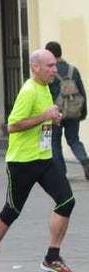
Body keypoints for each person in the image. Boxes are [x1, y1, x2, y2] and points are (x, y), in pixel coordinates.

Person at [0, 48, 77, 272]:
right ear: (36, 67)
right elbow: (13, 125)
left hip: (43, 158)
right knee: (12, 211)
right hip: (22, 162)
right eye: (50, 66)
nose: (55, 69)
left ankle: (52, 258)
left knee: (66, 201)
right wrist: (44, 117)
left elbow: (42, 118)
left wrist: (52, 118)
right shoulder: (29, 91)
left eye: (55, 65)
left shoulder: (45, 88)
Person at [44, 41, 89, 181]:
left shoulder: (49, 71)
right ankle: (85, 160)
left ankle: (61, 174)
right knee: (74, 140)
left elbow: (45, 93)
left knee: (55, 142)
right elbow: (81, 92)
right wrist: (83, 112)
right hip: (73, 112)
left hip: (55, 113)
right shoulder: (73, 70)